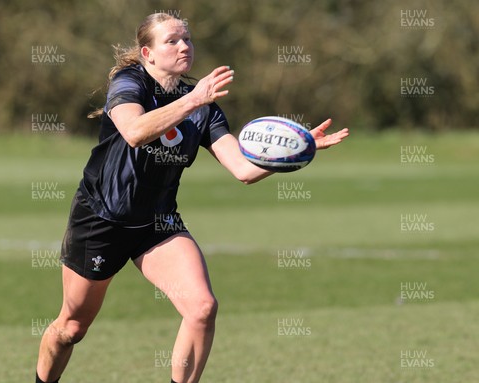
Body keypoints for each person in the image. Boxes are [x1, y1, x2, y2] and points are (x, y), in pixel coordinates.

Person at [35, 12, 349, 383]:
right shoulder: (129, 83)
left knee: (202, 308)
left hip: (158, 223)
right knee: (71, 328)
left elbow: (243, 170)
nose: (184, 46)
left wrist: (293, 153)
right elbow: (135, 132)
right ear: (147, 53)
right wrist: (194, 100)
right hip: (102, 218)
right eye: (172, 40)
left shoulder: (204, 104)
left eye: (187, 39)